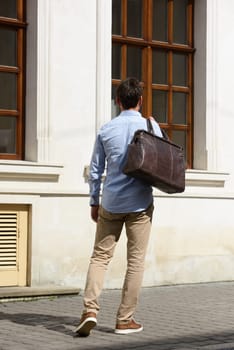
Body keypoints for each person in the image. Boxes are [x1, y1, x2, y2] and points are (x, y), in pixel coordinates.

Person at [74, 77, 162, 337]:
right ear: (141, 100)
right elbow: (162, 158)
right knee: (135, 262)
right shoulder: (151, 125)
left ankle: (90, 310)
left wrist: (94, 200)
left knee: (100, 257)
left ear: (118, 101)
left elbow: (96, 170)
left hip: (111, 202)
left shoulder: (106, 129)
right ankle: (124, 320)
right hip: (140, 204)